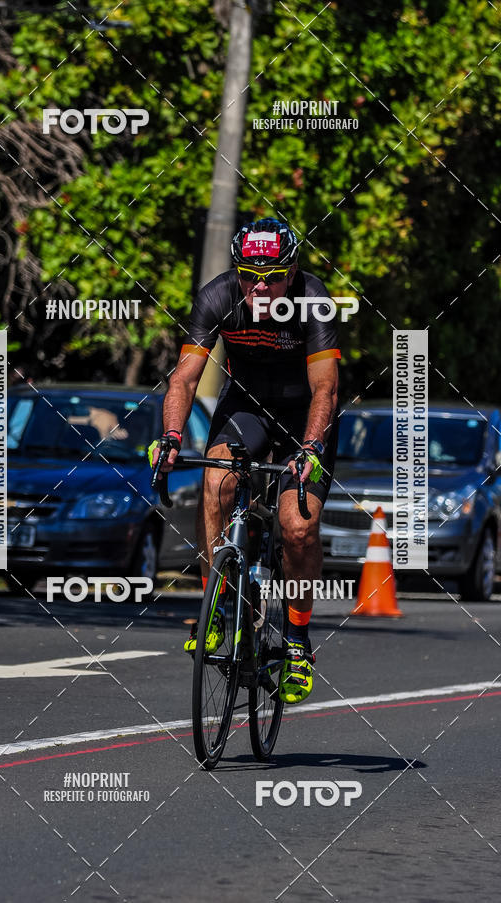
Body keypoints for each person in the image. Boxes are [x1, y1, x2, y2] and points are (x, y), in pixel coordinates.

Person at [151, 217, 340, 704]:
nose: (259, 286)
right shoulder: (217, 296)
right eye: (249, 274)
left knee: (298, 527)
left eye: (272, 276)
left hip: (305, 415)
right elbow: (184, 379)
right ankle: (218, 606)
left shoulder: (313, 299)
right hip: (247, 408)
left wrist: (311, 447)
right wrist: (171, 435)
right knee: (216, 484)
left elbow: (326, 387)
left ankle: (297, 642)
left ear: (293, 271)